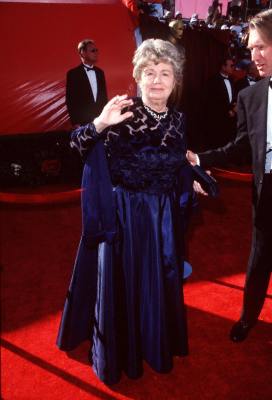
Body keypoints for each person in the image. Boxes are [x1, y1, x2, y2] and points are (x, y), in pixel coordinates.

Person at [57, 39, 196, 384]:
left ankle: (153, 339)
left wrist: (189, 171)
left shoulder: (179, 120)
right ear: (137, 76)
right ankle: (124, 349)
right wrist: (100, 124)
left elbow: (172, 158)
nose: (157, 80)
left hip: (162, 217)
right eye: (149, 72)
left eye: (165, 73)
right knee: (126, 284)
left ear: (176, 80)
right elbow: (75, 144)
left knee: (157, 282)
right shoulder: (124, 112)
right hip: (125, 218)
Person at [187, 9, 272, 342]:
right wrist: (200, 157)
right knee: (259, 259)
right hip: (266, 192)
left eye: (262, 47)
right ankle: (248, 318)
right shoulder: (250, 96)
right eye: (251, 49)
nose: (254, 56)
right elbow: (238, 146)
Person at [66, 39, 108, 127]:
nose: (96, 53)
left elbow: (104, 97)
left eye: (96, 50)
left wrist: (106, 117)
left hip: (100, 120)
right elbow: (71, 100)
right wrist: (76, 122)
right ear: (82, 53)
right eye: (93, 50)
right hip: (83, 122)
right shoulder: (73, 74)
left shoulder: (100, 72)